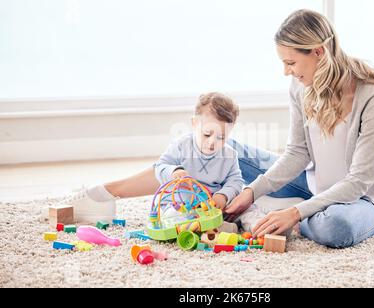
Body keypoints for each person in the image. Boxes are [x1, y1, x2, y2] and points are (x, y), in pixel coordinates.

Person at [225, 9, 374, 248]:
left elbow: (359, 181)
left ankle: (291, 213)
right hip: (314, 183)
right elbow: (297, 152)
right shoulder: (300, 86)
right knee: (222, 148)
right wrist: (251, 193)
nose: (287, 72)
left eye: (291, 63)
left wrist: (295, 213)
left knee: (336, 227)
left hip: (364, 199)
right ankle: (293, 207)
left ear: (318, 52)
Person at [69, 92, 243, 232]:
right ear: (194, 123)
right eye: (207, 134)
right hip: (179, 205)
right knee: (171, 217)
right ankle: (201, 228)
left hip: (208, 209)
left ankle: (217, 227)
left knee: (242, 213)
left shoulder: (229, 155)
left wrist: (224, 195)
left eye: (221, 137)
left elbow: (236, 181)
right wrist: (174, 171)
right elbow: (161, 166)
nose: (212, 142)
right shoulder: (182, 146)